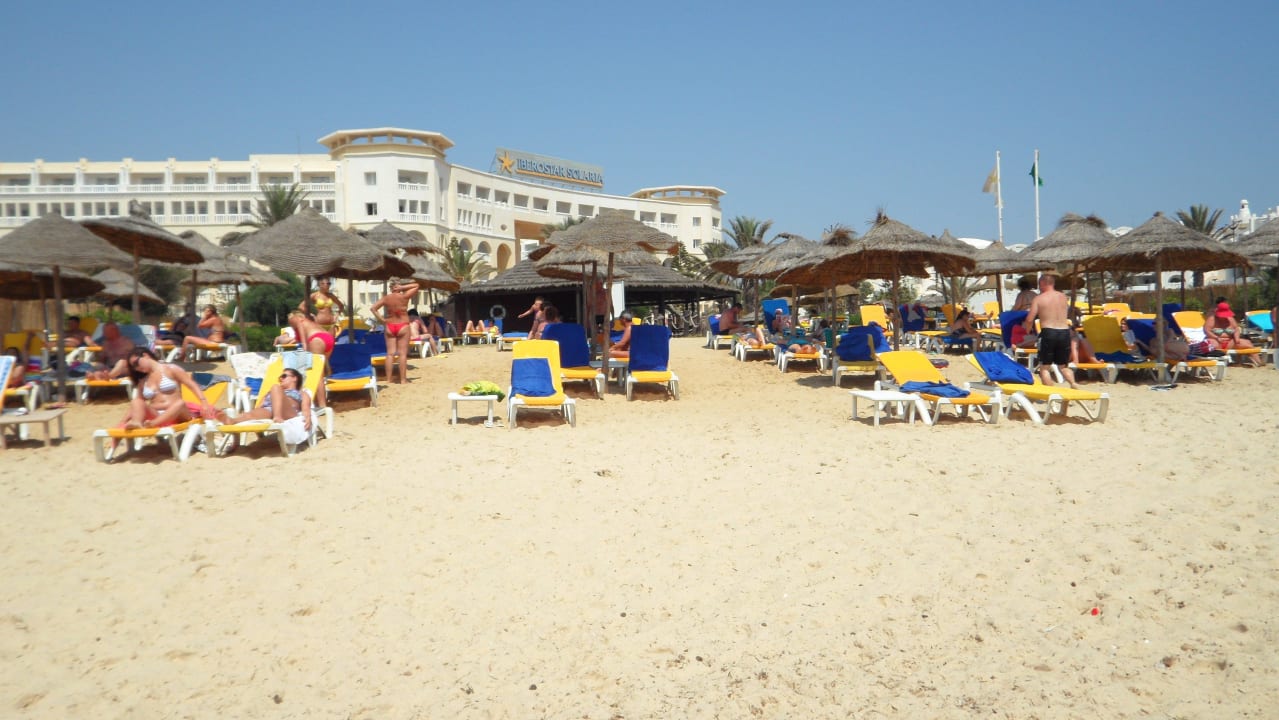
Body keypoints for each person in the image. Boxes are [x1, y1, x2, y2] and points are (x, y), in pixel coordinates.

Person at [116, 347, 217, 431]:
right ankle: (137, 423)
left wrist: (204, 403)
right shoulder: (143, 381)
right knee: (136, 401)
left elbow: (191, 385)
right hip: (157, 415)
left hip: (179, 414)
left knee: (180, 403)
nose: (136, 368)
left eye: (136, 363)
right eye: (134, 367)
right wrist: (122, 422)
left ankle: (152, 424)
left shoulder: (171, 369)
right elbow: (136, 406)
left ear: (145, 355)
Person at [1024, 274, 1078, 388]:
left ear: (1042, 283)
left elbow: (1029, 319)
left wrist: (1028, 330)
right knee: (1063, 366)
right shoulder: (1063, 297)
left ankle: (1051, 392)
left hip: (1048, 332)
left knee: (1045, 367)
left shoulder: (1039, 298)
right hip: (1064, 332)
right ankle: (1073, 383)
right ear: (1053, 283)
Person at [219, 367, 311, 430]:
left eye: (284, 376)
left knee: (275, 387)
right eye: (280, 378)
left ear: (295, 378)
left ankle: (277, 417)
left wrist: (307, 417)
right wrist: (254, 413)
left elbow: (306, 408)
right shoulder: (271, 392)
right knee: (249, 414)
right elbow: (260, 406)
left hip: (288, 411)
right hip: (269, 409)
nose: (281, 379)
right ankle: (232, 421)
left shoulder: (302, 393)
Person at [371, 279, 419, 384]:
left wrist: (382, 320)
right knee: (402, 354)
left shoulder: (386, 298)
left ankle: (388, 379)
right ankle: (403, 380)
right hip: (403, 325)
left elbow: (373, 308)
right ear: (398, 286)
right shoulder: (404, 296)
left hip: (389, 325)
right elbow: (416, 286)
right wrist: (403, 288)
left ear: (390, 287)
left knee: (390, 354)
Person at [1203, 298, 1260, 365]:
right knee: (1211, 344)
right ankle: (1215, 361)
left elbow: (1236, 329)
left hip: (1230, 342)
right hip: (1216, 342)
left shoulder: (1230, 319)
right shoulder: (1212, 319)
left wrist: (1237, 338)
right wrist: (1216, 337)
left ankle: (1259, 362)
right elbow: (1206, 330)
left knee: (1248, 343)